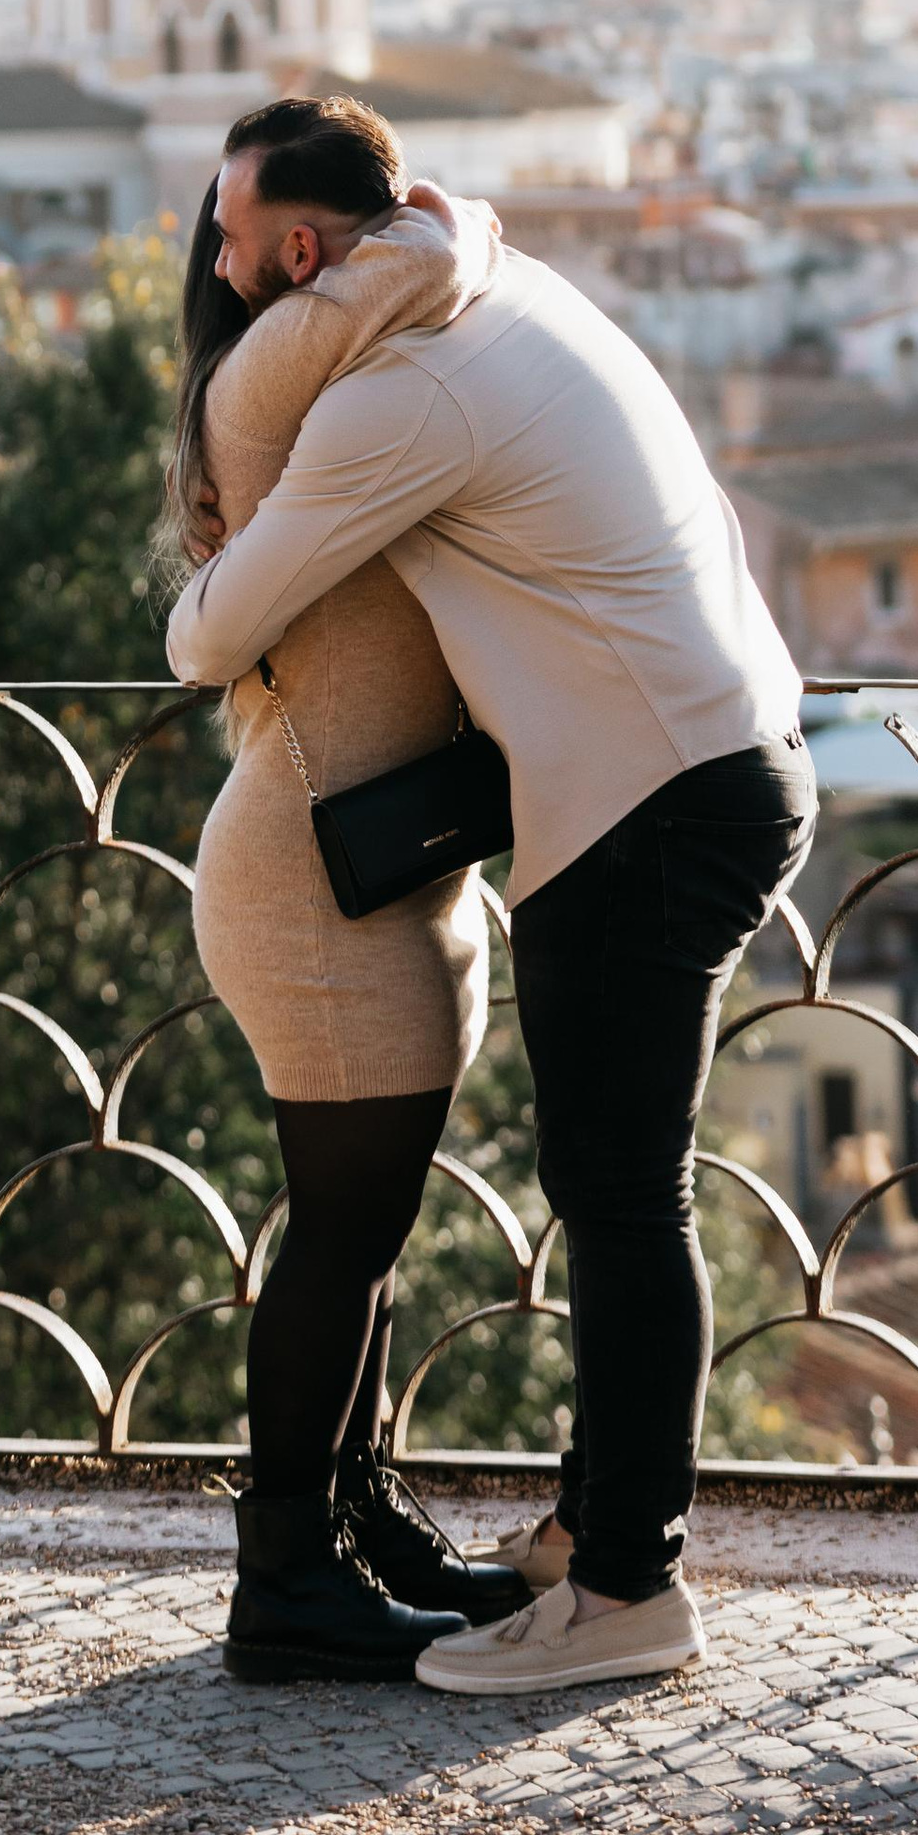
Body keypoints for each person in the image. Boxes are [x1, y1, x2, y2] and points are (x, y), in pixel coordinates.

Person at [170, 91, 814, 1696]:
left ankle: (621, 1590)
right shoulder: (505, 288)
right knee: (620, 1187)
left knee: (620, 1198)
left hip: (643, 795)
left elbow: (200, 635)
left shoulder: (400, 399)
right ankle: (592, 1534)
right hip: (732, 752)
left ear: (302, 251)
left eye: (235, 240)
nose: (221, 262)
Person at [167, 98, 530, 1680]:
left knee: (362, 1234)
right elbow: (427, 272)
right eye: (243, 243)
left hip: (374, 855)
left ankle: (356, 1525)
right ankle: (285, 1585)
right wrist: (445, 230)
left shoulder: (326, 357)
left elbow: (421, 275)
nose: (230, 263)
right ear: (331, 254)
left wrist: (440, 235)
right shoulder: (272, 378)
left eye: (241, 232)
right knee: (339, 1236)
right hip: (312, 872)